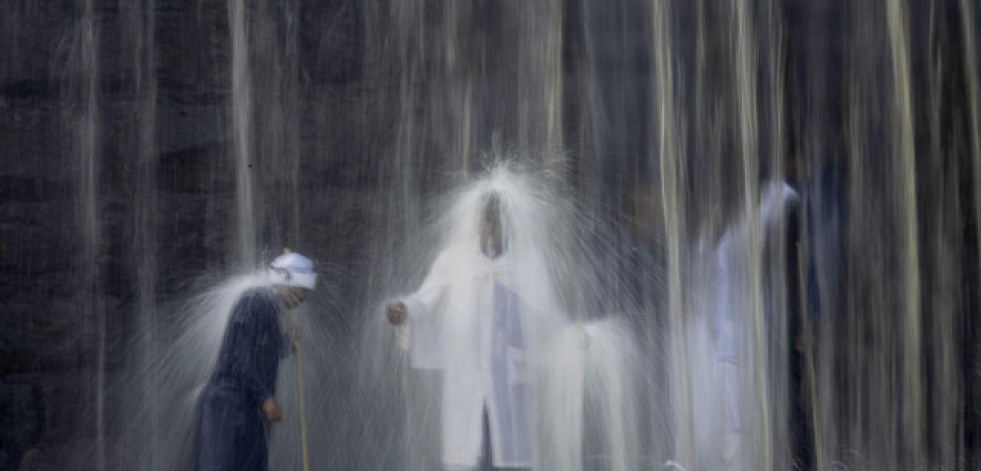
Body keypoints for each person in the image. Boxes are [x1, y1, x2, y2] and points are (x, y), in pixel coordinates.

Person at [386, 192, 562, 471]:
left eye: (495, 217)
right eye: (484, 217)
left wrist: (571, 338)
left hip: (510, 375)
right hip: (465, 373)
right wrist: (403, 309)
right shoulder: (454, 258)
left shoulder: (529, 260)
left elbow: (548, 318)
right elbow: (425, 298)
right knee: (465, 449)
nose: (489, 224)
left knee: (508, 449)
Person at [193, 251, 316, 471]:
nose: (304, 298)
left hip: (250, 411)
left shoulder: (269, 309)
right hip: (228, 407)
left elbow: (266, 350)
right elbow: (240, 355)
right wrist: (265, 397)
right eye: (303, 290)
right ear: (288, 282)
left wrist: (289, 342)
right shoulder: (255, 300)